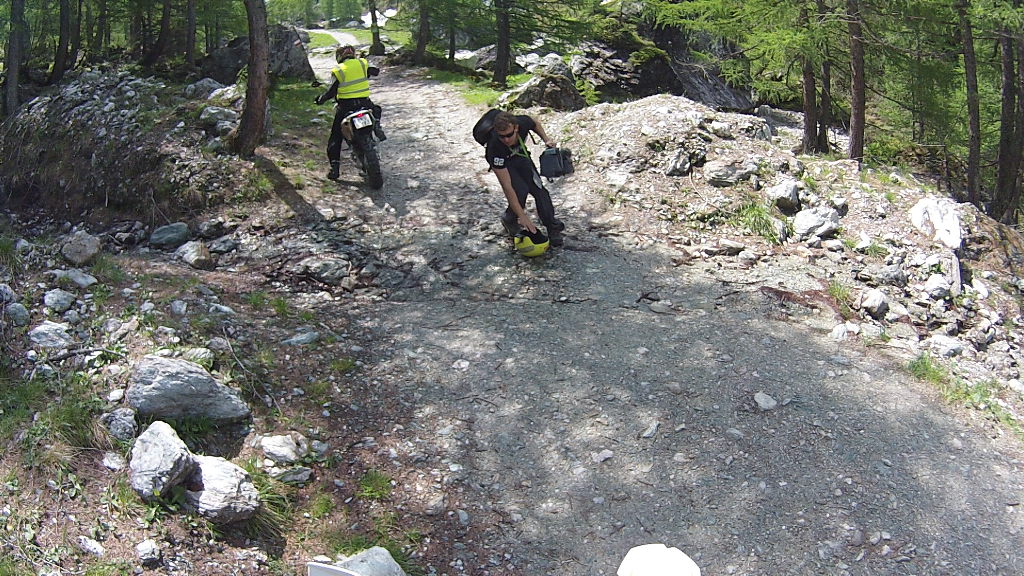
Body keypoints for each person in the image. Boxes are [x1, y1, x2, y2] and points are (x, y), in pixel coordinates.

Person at [485, 111, 566, 247]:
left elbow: (535, 124)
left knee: (539, 190)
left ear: (516, 128)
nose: (506, 140)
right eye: (501, 136)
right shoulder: (494, 148)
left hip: (521, 156)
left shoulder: (522, 122)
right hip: (505, 162)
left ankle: (552, 227)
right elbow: (507, 186)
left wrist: (546, 139)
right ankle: (510, 219)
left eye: (509, 135)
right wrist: (522, 216)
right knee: (520, 190)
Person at [314, 45, 386, 180]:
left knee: (336, 137)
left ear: (339, 56)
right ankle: (377, 126)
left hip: (346, 107)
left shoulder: (338, 70)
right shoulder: (362, 63)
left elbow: (331, 92)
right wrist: (366, 72)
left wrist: (320, 100)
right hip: (364, 103)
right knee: (376, 110)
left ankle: (334, 169)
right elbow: (376, 71)